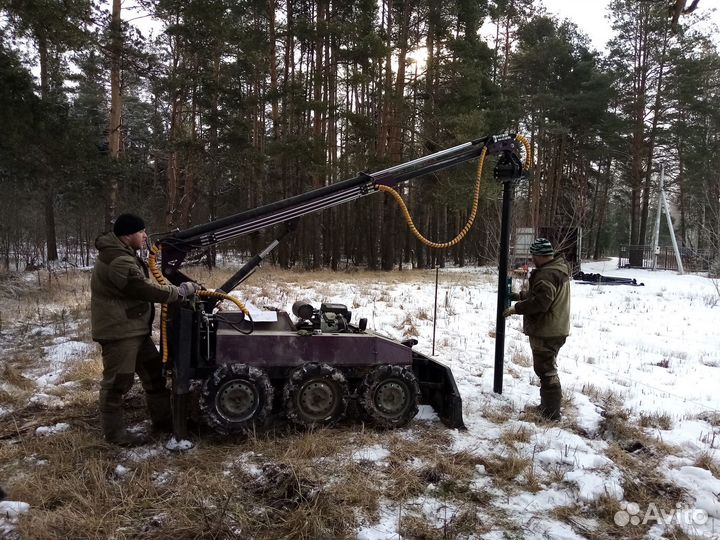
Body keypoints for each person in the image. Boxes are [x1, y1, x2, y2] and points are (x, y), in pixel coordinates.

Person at [91, 213, 200, 446]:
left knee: (154, 376)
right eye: (141, 232)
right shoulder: (117, 259)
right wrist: (179, 292)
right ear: (127, 235)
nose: (145, 236)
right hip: (120, 332)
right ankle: (114, 436)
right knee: (117, 384)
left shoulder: (123, 253)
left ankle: (164, 422)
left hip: (134, 329)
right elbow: (141, 288)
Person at [503, 238, 571, 420]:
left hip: (547, 330)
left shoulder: (547, 275)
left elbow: (541, 302)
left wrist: (516, 308)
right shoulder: (557, 270)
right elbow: (542, 294)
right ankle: (548, 407)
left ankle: (550, 413)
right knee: (547, 368)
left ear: (540, 256)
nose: (532, 259)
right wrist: (520, 296)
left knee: (546, 370)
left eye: (533, 256)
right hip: (556, 328)